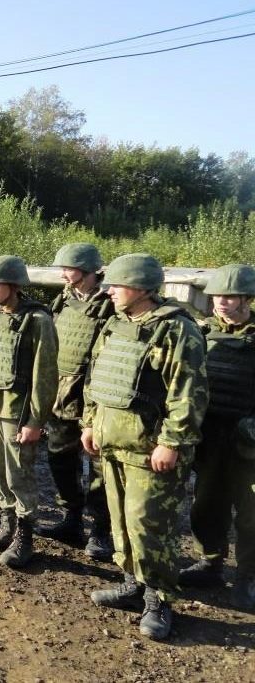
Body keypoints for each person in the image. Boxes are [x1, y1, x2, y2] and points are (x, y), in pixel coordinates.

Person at [82, 253, 208, 641]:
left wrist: (171, 442)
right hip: (112, 441)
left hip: (150, 450)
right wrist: (90, 421)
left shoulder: (177, 331)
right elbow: (96, 375)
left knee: (150, 525)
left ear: (139, 288)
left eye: (116, 285)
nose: (109, 291)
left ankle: (159, 598)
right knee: (120, 520)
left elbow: (188, 394)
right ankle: (132, 582)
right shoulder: (116, 324)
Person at [0, 255, 58, 569]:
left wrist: (36, 421)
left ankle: (24, 536)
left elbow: (45, 376)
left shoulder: (37, 320)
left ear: (14, 285)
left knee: (19, 474)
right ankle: (6, 526)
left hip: (17, 413)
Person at [178, 263, 255, 611]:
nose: (221, 302)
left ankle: (247, 578)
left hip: (249, 441)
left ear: (247, 299)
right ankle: (210, 562)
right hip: (211, 435)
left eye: (229, 296)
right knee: (207, 503)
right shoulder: (202, 332)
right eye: (216, 296)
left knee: (251, 513)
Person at [39, 243, 115, 560]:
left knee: (100, 467)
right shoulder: (65, 301)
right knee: (60, 459)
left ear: (86, 272)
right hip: (62, 394)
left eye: (67, 269)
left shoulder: (110, 306)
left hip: (96, 397)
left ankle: (100, 531)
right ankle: (71, 519)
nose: (62, 274)